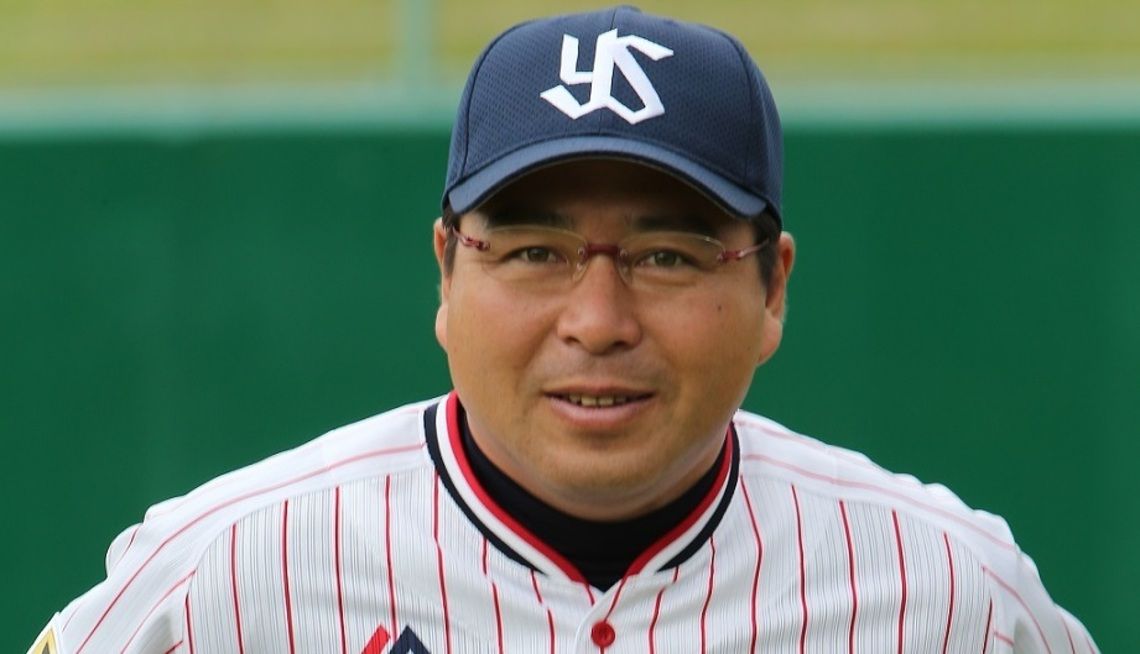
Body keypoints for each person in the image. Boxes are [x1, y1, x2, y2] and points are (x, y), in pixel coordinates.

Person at [28, 6, 1096, 654]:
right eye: (535, 252)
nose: (597, 321)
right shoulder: (222, 578)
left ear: (773, 288)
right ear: (448, 271)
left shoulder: (949, 596)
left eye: (667, 256)